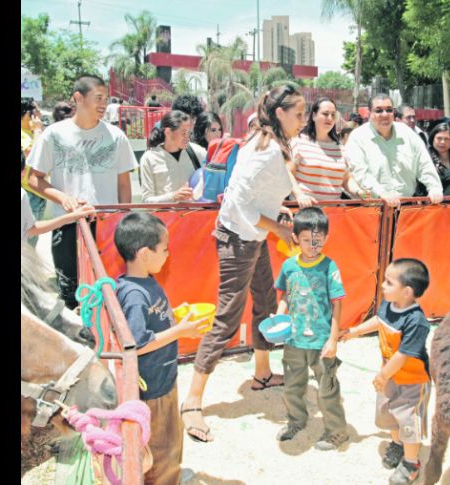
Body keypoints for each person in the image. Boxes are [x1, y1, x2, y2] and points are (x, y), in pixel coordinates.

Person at [179, 84, 305, 443]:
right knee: (227, 318)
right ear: (279, 113)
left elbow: (254, 198)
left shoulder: (267, 142)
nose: (303, 120)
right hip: (238, 237)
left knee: (265, 302)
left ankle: (262, 373)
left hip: (253, 235)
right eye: (298, 114)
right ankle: (192, 401)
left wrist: (275, 218)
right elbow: (239, 204)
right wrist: (278, 228)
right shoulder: (266, 149)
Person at [114, 212, 210, 485]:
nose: (168, 254)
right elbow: (137, 345)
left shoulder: (144, 280)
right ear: (145, 253)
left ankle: (172, 473)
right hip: (152, 387)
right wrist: (181, 331)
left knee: (171, 435)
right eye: (165, 249)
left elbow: (150, 322)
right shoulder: (134, 294)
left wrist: (174, 315)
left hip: (163, 378)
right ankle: (165, 478)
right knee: (161, 444)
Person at [26, 75, 137, 310]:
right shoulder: (54, 134)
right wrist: (63, 198)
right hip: (67, 225)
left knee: (108, 288)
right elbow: (34, 178)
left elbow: (124, 184)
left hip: (106, 226)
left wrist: (122, 219)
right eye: (98, 98)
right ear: (78, 97)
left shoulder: (116, 137)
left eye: (106, 99)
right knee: (71, 292)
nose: (103, 104)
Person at [340, 258, 432, 485]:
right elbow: (379, 321)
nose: (382, 285)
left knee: (409, 420)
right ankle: (398, 444)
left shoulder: (417, 321)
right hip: (390, 376)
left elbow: (402, 355)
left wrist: (382, 376)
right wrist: (355, 331)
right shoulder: (389, 304)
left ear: (407, 292)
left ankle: (411, 463)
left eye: (389, 282)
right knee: (389, 413)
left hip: (413, 382)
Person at [274, 207, 349, 450]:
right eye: (306, 240)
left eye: (317, 240)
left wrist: (333, 339)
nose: (312, 245)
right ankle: (296, 421)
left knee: (327, 389)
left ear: (326, 238)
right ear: (295, 238)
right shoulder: (289, 266)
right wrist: (279, 317)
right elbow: (285, 295)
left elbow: (337, 304)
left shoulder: (329, 267)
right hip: (294, 340)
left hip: (322, 342)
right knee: (292, 386)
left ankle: (337, 432)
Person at [345, 93, 443, 208]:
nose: (385, 114)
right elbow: (361, 173)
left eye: (389, 110)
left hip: (407, 208)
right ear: (369, 113)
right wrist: (382, 193)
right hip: (373, 208)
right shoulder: (357, 137)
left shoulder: (407, 133)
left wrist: (434, 188)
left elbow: (424, 163)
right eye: (379, 110)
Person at [288, 97, 366, 207]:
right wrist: (299, 195)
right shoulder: (298, 142)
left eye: (333, 115)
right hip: (305, 212)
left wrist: (359, 192)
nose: (329, 118)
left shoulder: (340, 148)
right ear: (314, 116)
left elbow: (346, 179)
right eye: (325, 114)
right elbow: (288, 172)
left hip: (334, 212)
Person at [140, 110, 201, 203]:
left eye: (189, 133)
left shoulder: (197, 152)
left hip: (194, 212)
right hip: (164, 212)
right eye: (183, 133)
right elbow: (146, 200)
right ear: (168, 132)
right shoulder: (149, 158)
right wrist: (173, 196)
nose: (187, 138)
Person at [21, 97, 46, 247]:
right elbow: (32, 156)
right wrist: (37, 130)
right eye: (35, 111)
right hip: (28, 192)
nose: (38, 115)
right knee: (27, 238)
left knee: (32, 239)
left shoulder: (31, 133)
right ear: (26, 114)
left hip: (37, 192)